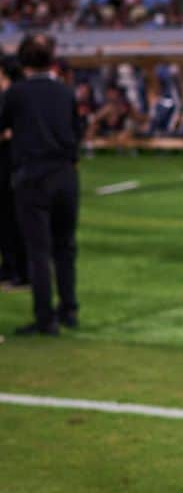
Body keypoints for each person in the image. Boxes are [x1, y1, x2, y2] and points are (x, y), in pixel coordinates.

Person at [0, 35, 81, 335]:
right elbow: (76, 132)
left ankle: (45, 318)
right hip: (65, 174)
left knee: (38, 250)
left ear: (22, 62)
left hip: (32, 176)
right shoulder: (65, 92)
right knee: (65, 246)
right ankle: (69, 309)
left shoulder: (17, 93)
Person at [0, 55, 29, 290]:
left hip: (13, 162)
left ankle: (19, 270)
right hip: (8, 161)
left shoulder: (15, 95)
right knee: (5, 219)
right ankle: (9, 267)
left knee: (14, 219)